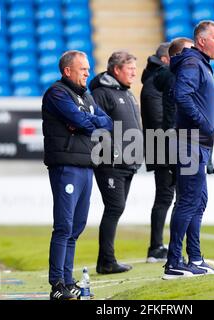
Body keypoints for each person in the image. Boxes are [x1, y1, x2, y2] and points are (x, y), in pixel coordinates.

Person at [42, 50, 113, 299]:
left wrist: (86, 120)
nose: (87, 73)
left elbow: (108, 122)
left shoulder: (86, 96)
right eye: (83, 68)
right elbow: (82, 121)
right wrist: (87, 121)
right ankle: (57, 285)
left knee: (76, 227)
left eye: (88, 68)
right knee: (63, 226)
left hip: (85, 165)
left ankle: (69, 280)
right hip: (66, 166)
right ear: (67, 71)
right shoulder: (57, 93)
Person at [163, 20, 214, 280]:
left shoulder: (199, 64)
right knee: (188, 201)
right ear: (201, 41)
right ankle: (174, 263)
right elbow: (181, 95)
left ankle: (195, 258)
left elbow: (191, 97)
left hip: (197, 144)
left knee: (198, 201)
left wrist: (209, 116)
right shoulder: (191, 63)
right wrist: (203, 123)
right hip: (189, 142)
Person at [89, 51, 142, 274]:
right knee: (114, 207)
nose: (133, 73)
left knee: (116, 208)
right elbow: (97, 127)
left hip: (128, 164)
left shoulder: (127, 94)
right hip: (110, 163)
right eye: (130, 69)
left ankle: (106, 261)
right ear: (117, 69)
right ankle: (106, 261)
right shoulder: (102, 93)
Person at [140, 42, 174, 263]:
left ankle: (159, 245)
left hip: (163, 145)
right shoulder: (155, 83)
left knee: (166, 196)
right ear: (165, 60)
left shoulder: (153, 81)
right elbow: (158, 119)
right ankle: (156, 247)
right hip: (163, 147)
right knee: (164, 197)